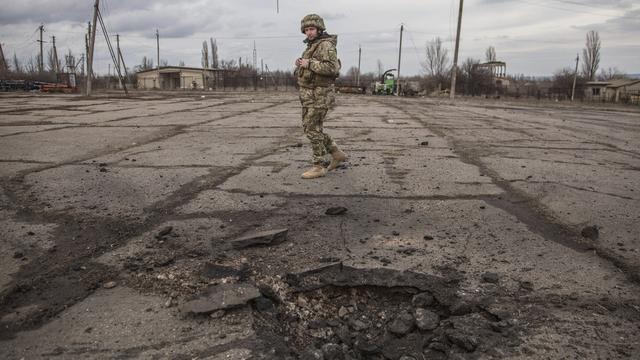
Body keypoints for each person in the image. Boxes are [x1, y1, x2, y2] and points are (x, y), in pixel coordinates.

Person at [295, 14, 347, 179]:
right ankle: (336, 153)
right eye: (306, 30)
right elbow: (309, 69)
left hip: (320, 95)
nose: (309, 32)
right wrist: (301, 65)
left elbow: (332, 68)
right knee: (311, 128)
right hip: (309, 95)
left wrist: (309, 63)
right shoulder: (312, 46)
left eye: (311, 29)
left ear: (319, 29)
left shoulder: (325, 45)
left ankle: (319, 166)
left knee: (311, 128)